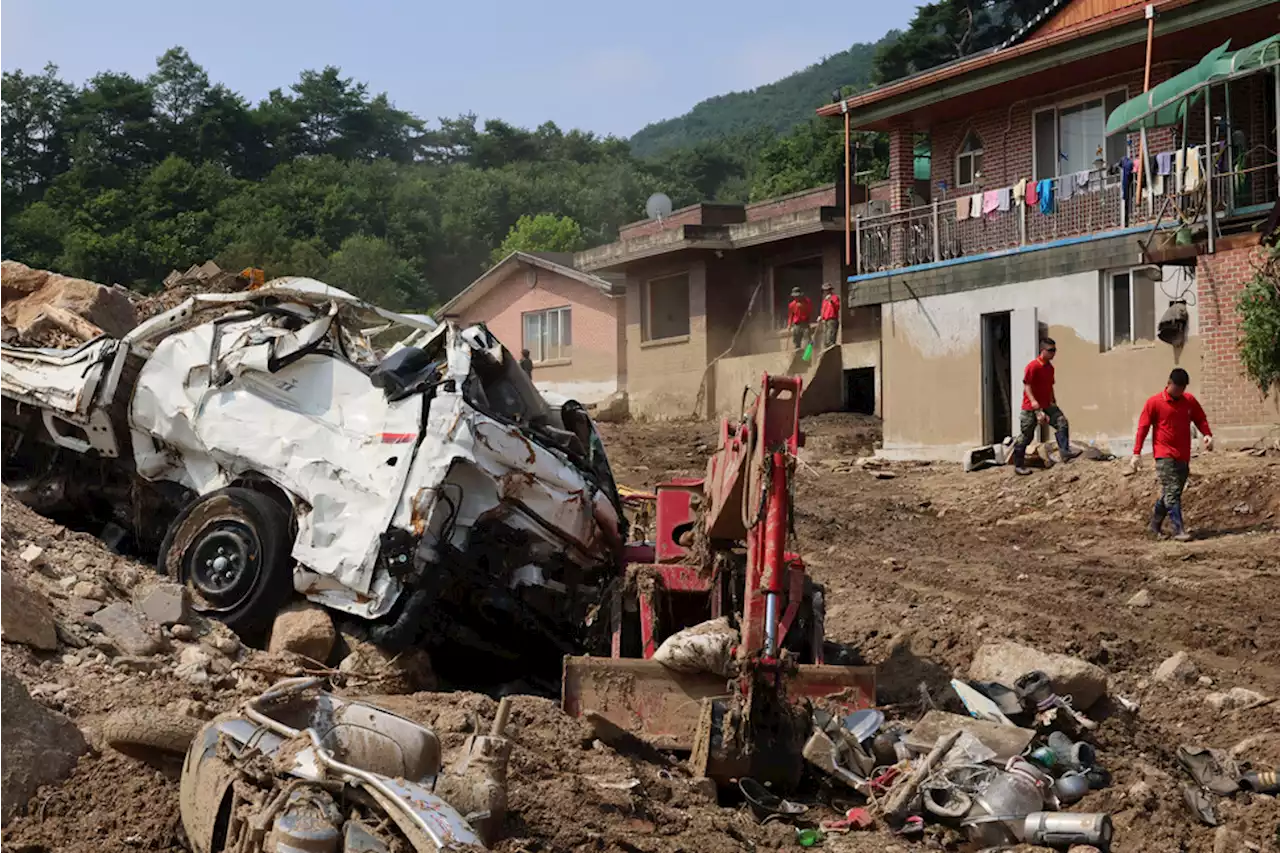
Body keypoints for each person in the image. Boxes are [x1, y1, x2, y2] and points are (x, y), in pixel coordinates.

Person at [1129, 368, 1214, 541]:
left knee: (1172, 492)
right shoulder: (1154, 402)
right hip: (1164, 454)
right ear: (1169, 384)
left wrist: (1207, 434)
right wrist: (1136, 453)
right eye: (1177, 388)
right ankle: (1179, 530)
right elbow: (1143, 428)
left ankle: (1154, 525)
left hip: (1183, 454)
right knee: (1173, 491)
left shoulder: (1189, 401)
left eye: (1183, 389)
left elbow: (1200, 418)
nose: (1180, 392)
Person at [1012, 337, 1080, 475]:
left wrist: (1053, 400)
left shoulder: (1050, 368)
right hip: (1031, 407)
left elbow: (1050, 385)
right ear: (1043, 351)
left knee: (1062, 421)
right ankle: (1018, 465)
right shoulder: (1033, 366)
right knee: (1026, 436)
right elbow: (1027, 385)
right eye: (1050, 350)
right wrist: (1033, 402)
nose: (1053, 353)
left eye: (1055, 350)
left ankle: (1065, 452)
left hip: (1047, 404)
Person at [819, 282, 841, 348]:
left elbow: (837, 307)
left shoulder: (835, 297)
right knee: (825, 339)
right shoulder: (824, 300)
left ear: (830, 290)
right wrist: (821, 317)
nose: (826, 292)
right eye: (824, 290)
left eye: (827, 290)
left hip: (832, 320)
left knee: (830, 338)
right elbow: (823, 310)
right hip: (825, 321)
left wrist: (831, 301)